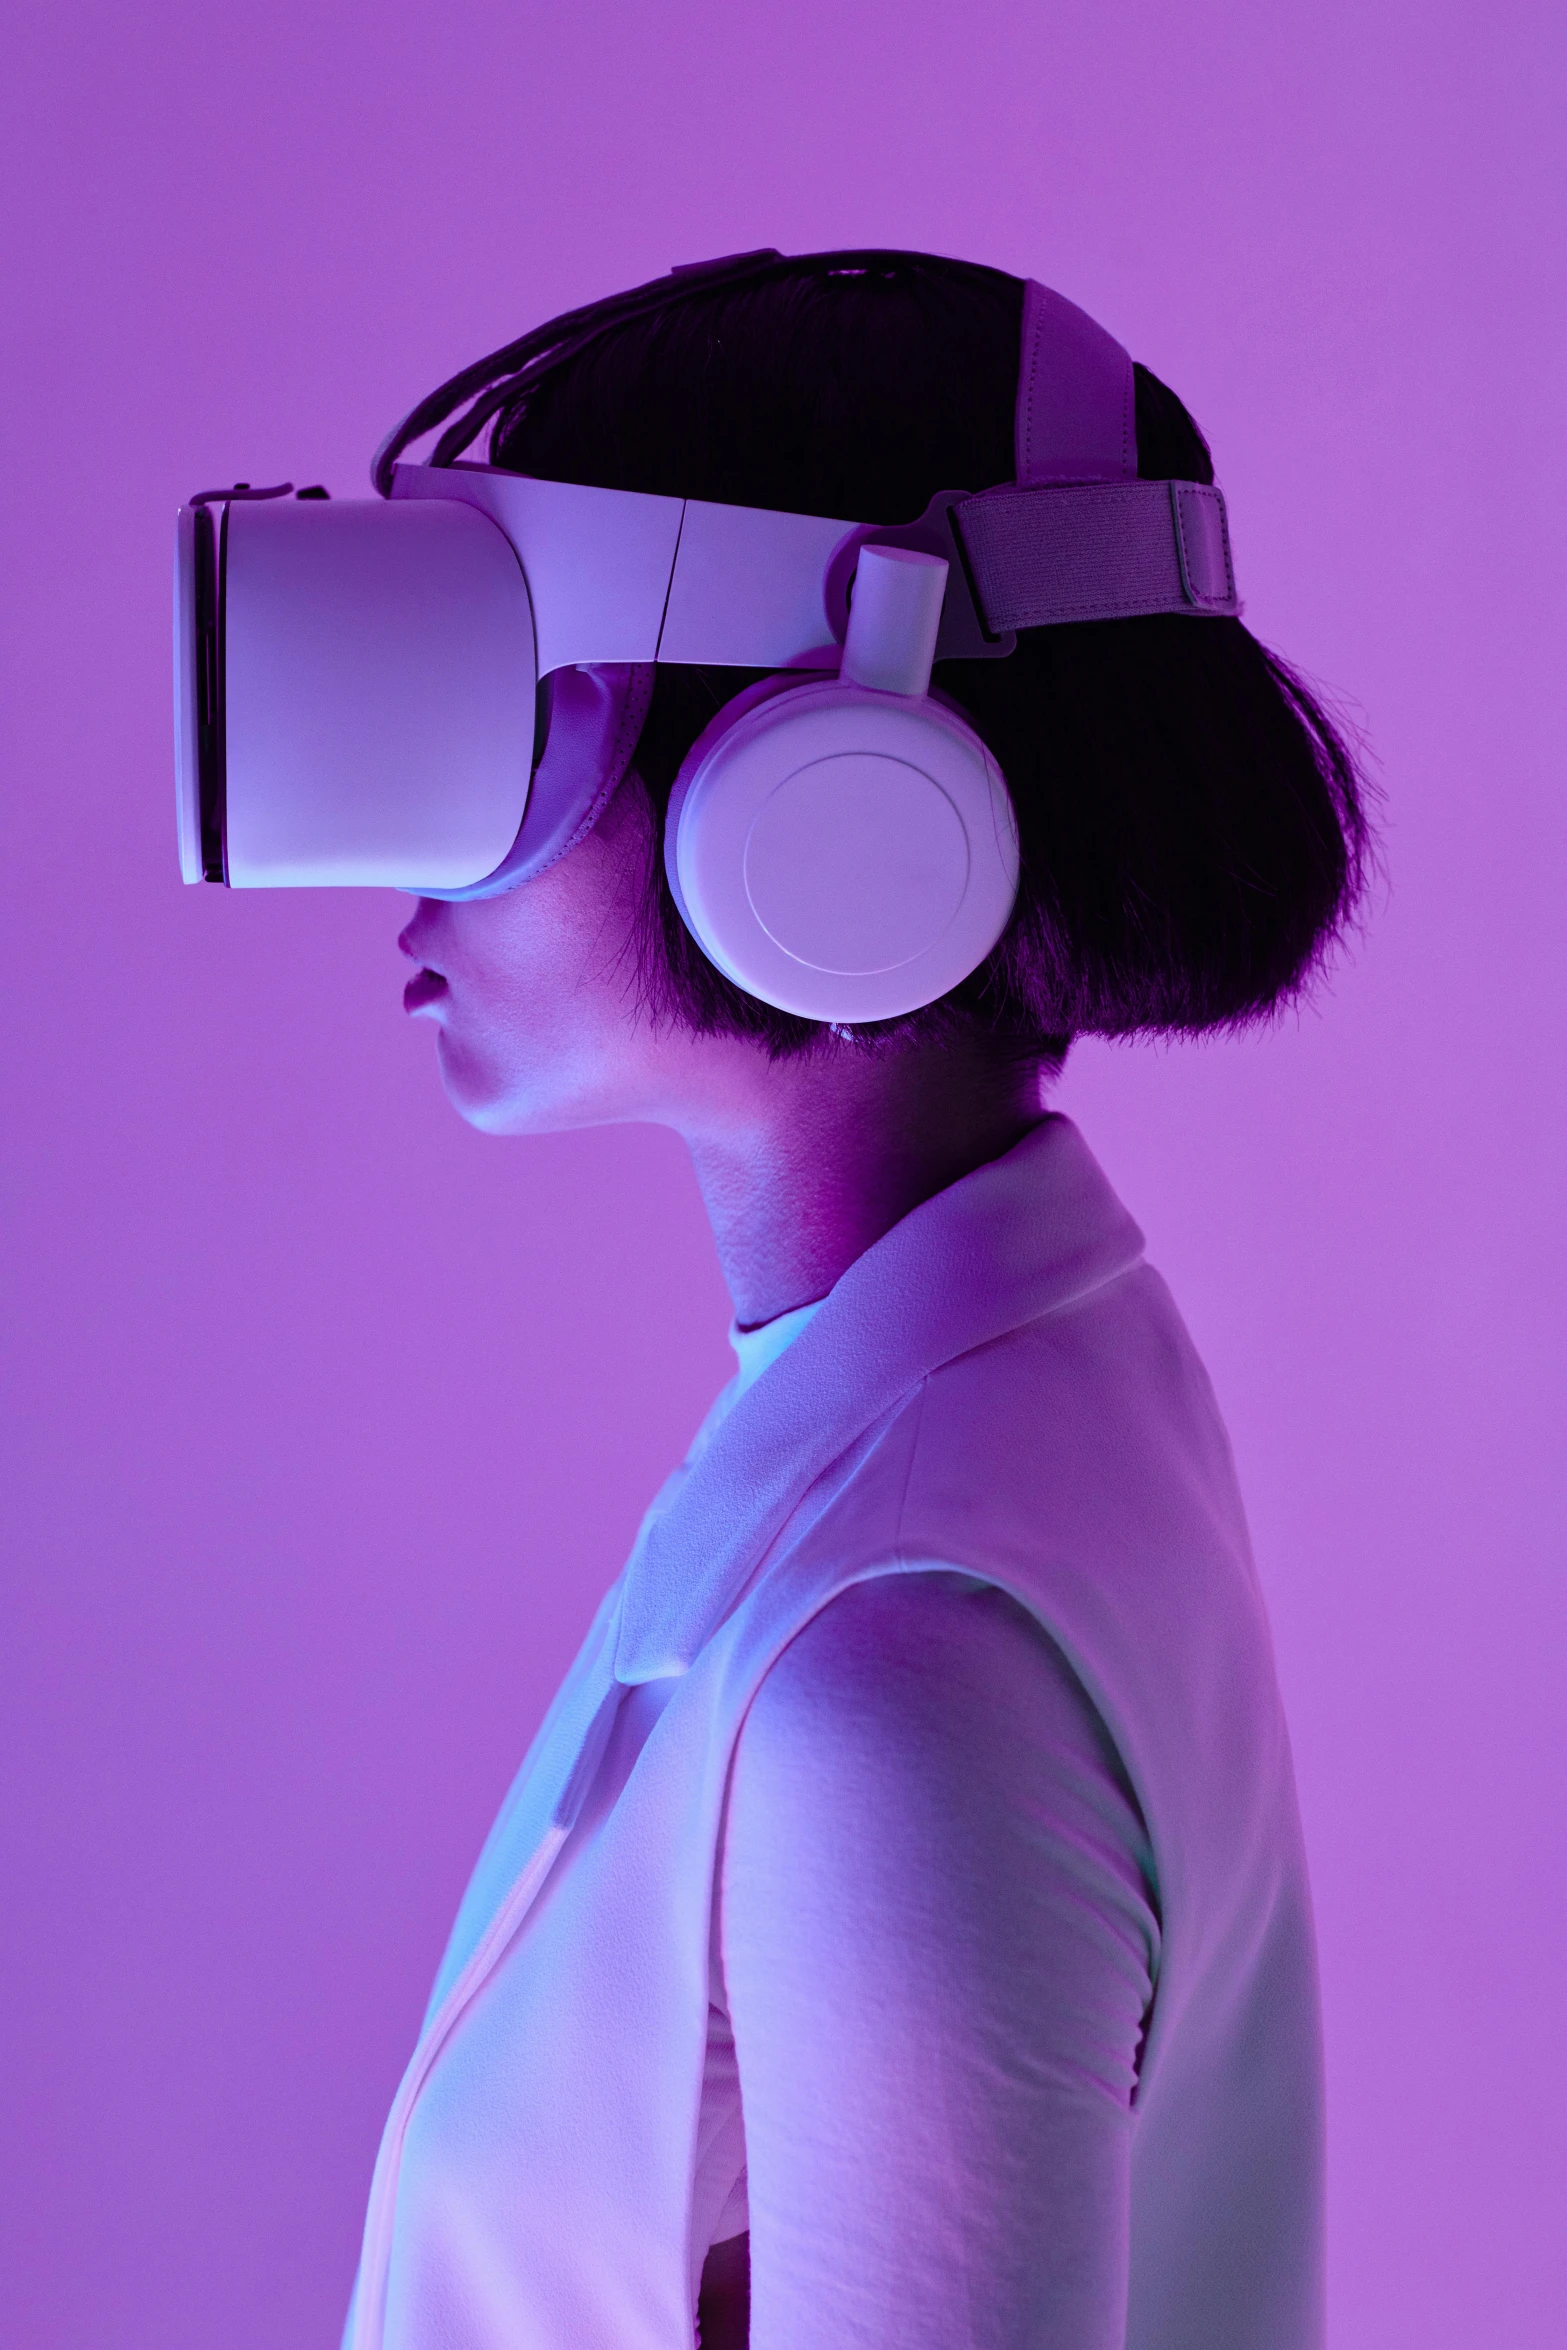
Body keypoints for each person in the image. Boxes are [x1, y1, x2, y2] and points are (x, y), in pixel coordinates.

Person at [346, 250, 1370, 2350]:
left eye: (524, 712)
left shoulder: (893, 1649)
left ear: (824, 786)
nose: (415, 857)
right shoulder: (975, 1417)